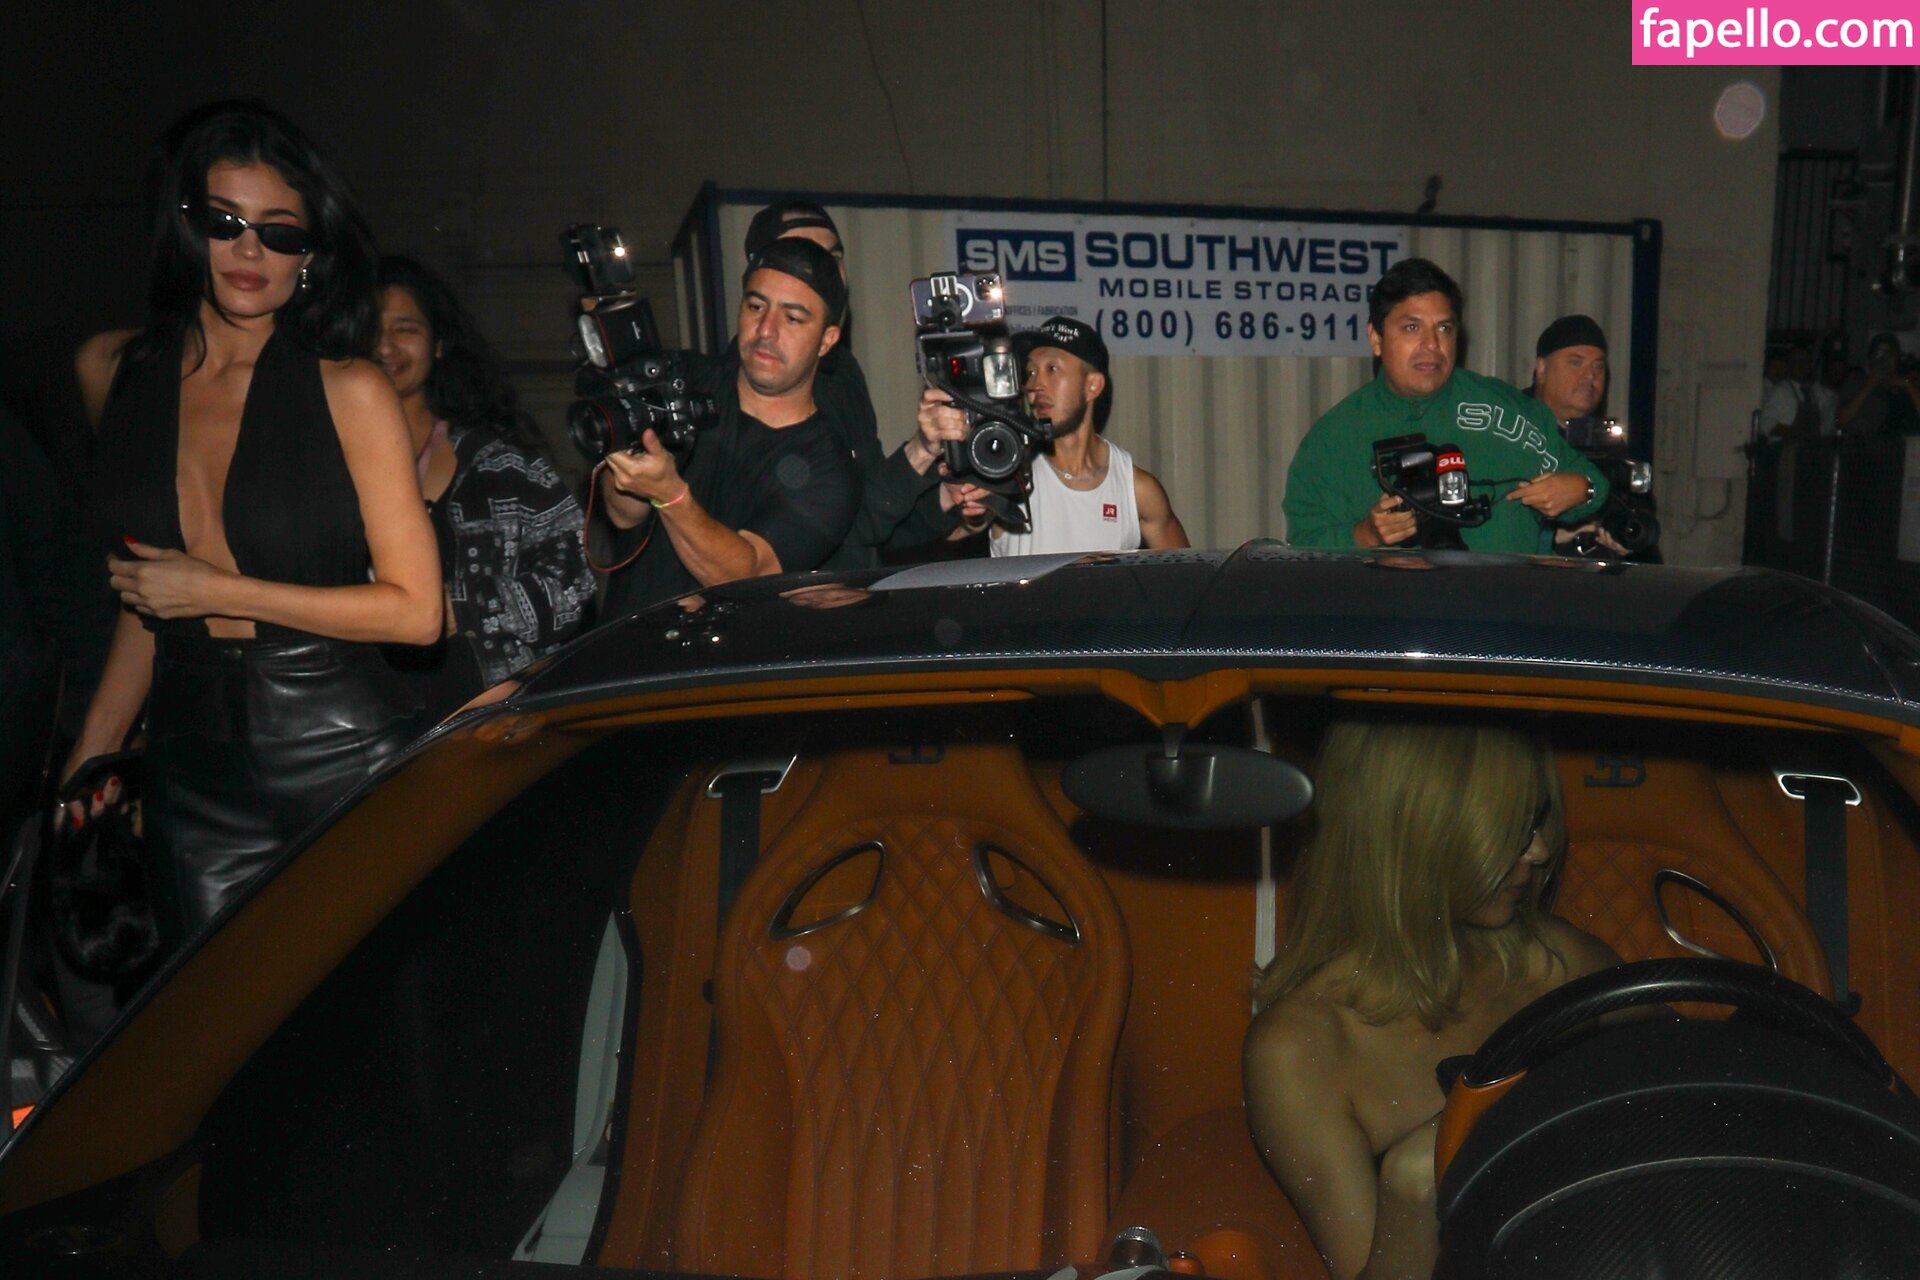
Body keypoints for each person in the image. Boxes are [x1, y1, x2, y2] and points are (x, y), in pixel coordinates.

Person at [67, 101, 441, 943]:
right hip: (189, 769)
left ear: (309, 255)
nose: (249, 251)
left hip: (343, 750)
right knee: (216, 1018)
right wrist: (93, 748)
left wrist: (218, 590)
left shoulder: (350, 389)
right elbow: (150, 594)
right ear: (184, 226)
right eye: (224, 222)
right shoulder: (113, 373)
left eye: (278, 232)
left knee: (367, 1007)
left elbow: (418, 613)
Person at [1243, 718, 1619, 1280]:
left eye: (1537, 819)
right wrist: (1411, 1190)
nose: (1540, 851)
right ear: (1419, 835)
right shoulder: (1300, 1048)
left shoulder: (1561, 962)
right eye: (1511, 829)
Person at [374, 256, 594, 723]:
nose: (385, 345)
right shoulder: (317, 464)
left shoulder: (500, 468)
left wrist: (464, 608)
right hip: (355, 728)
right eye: (369, 329)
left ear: (438, 344)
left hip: (487, 723)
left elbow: (576, 583)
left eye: (405, 329)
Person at [596, 236, 859, 618]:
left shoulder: (829, 469)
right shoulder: (682, 380)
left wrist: (669, 494)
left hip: (730, 656)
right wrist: (630, 462)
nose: (766, 330)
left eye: (792, 318)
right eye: (756, 306)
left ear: (827, 340)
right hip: (628, 645)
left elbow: (745, 575)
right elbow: (623, 514)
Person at [1283, 259, 1609, 554]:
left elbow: (1593, 483)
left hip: (1506, 600)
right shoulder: (1334, 439)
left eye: (1444, 328)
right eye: (1412, 328)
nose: (1431, 344)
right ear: (1376, 338)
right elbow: (1304, 546)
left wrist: (1583, 489)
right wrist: (1365, 535)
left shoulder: (1509, 413)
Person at [739, 200, 962, 567]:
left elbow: (874, 520)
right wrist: (920, 451)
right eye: (805, 254)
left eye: (834, 257)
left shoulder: (843, 373)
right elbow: (837, 529)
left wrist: (945, 498)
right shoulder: (741, 389)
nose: (827, 271)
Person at [941, 316, 1189, 555]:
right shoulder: (1006, 471)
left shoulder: (1135, 489)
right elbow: (953, 531)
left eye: (1052, 368)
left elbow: (1187, 571)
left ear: (1093, 385)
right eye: (1031, 372)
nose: (1035, 385)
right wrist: (972, 512)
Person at [1836, 333, 1920, 438]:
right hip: (1859, 444)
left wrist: (1908, 385)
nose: (1884, 359)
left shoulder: (1905, 385)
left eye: (1890, 354)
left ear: (1897, 357)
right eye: (1879, 353)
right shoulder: (1856, 381)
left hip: (1899, 444)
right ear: (1871, 356)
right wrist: (1869, 384)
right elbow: (1841, 420)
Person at [1756, 343, 1837, 441]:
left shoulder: (1813, 392)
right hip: (1785, 448)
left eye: (1805, 361)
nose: (1801, 365)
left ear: (1810, 365)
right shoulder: (1781, 391)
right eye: (1796, 361)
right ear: (1789, 365)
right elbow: (1766, 424)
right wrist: (1796, 433)